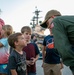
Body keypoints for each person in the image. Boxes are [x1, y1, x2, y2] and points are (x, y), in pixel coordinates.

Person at [40, 9, 74, 75]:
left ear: (53, 17)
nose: (48, 27)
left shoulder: (56, 21)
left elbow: (63, 48)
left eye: (47, 23)